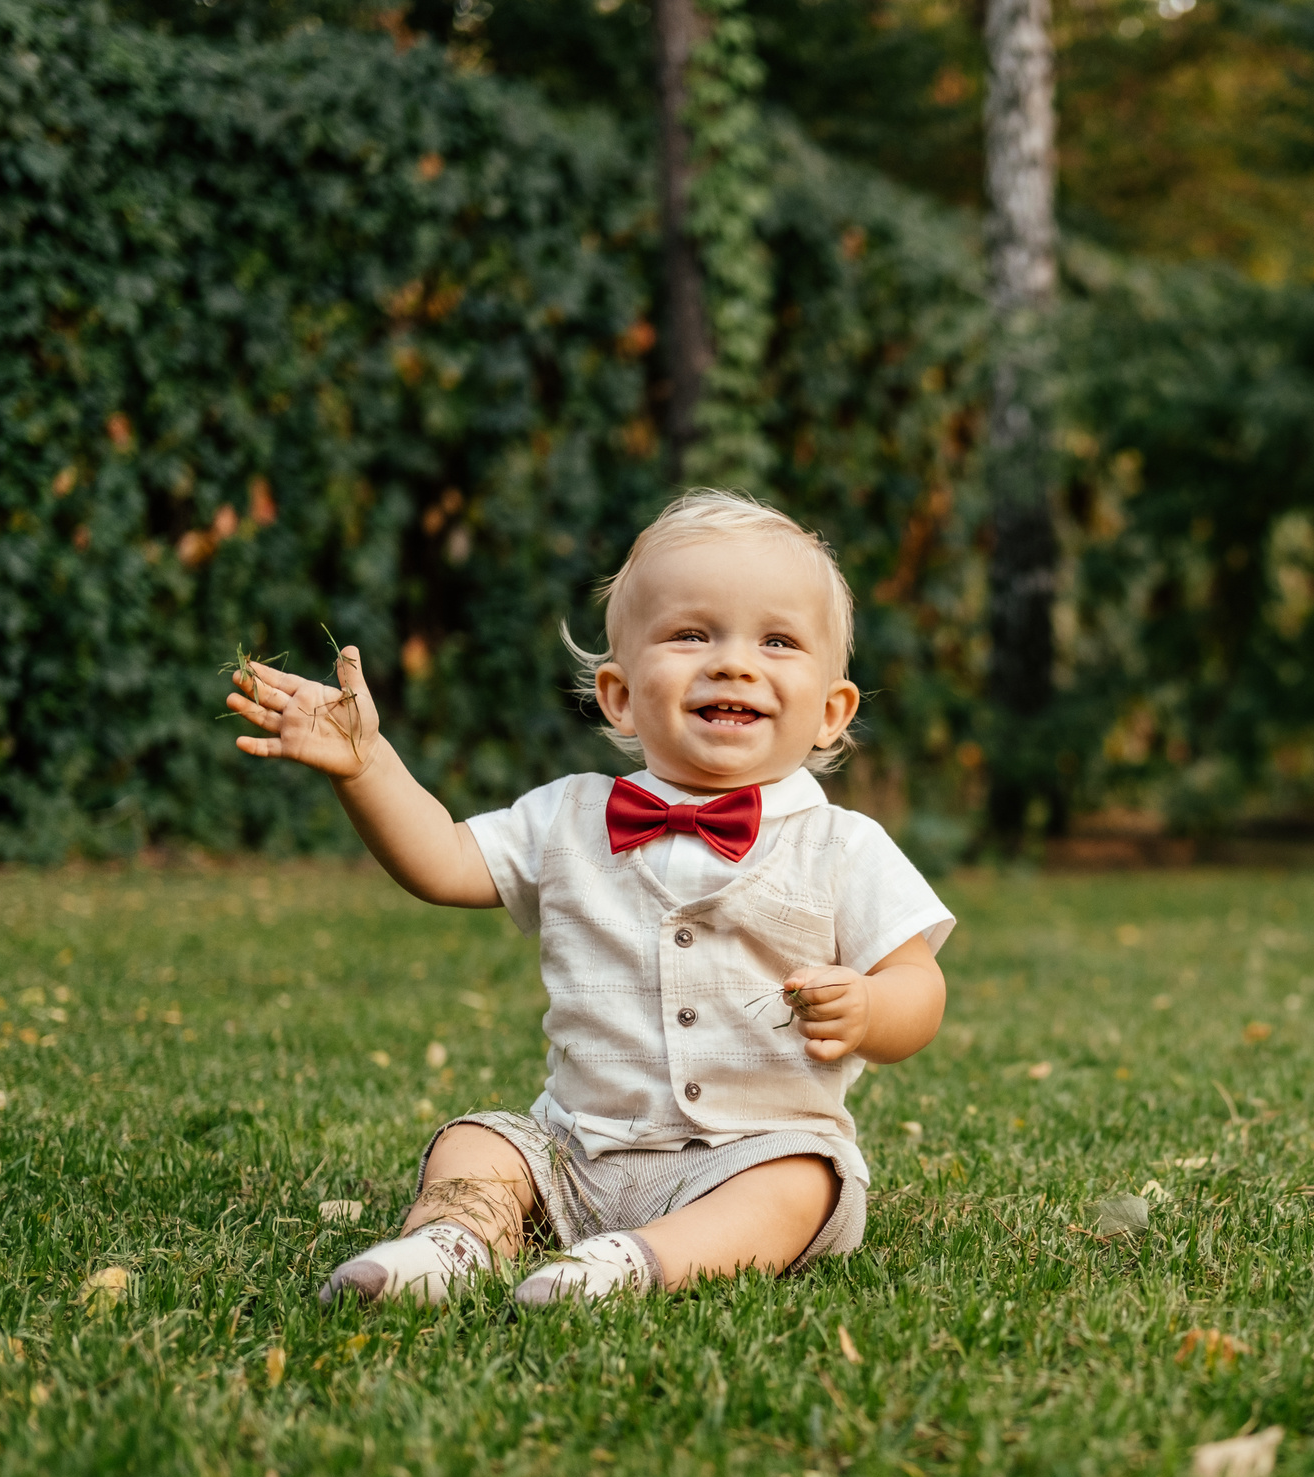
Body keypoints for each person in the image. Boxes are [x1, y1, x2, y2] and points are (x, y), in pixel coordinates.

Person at [224, 491, 950, 1306]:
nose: (734, 663)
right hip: (575, 1153)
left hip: (754, 1151)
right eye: (691, 634)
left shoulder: (843, 846)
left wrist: (871, 1007)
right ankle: (450, 1245)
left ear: (831, 711)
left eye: (776, 641)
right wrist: (368, 766)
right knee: (477, 1143)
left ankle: (629, 1265)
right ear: (620, 695)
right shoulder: (568, 815)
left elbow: (918, 984)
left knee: (803, 1185)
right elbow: (442, 860)